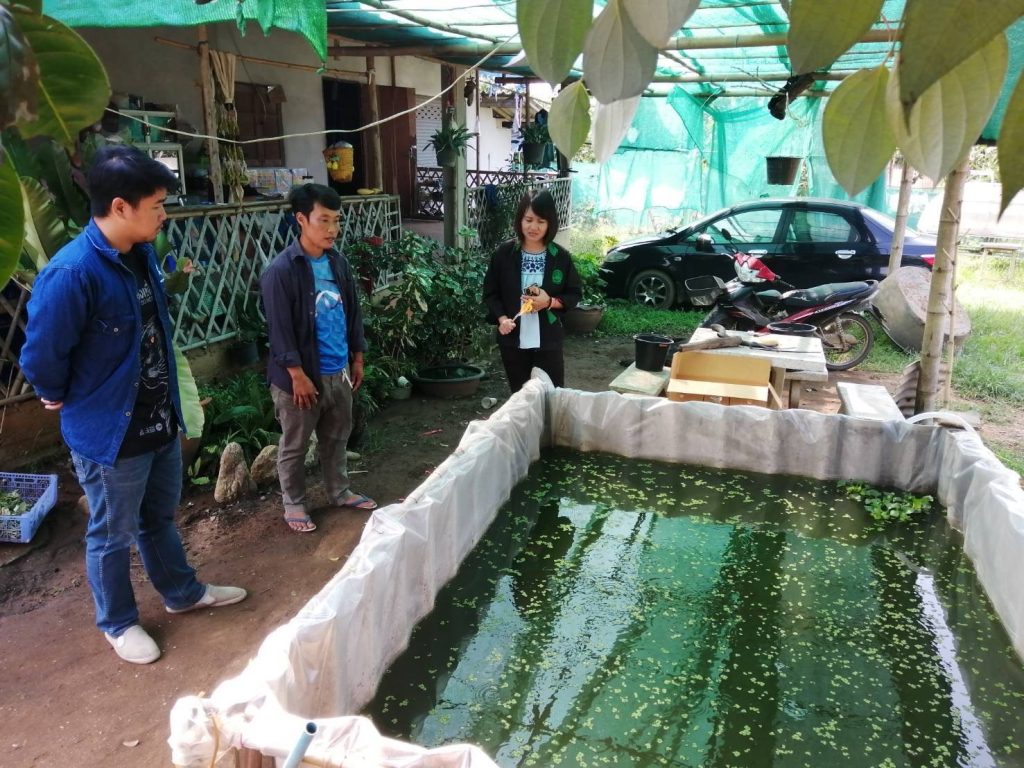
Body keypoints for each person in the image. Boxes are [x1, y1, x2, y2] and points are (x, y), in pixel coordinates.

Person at [19, 145, 247, 665]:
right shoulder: (72, 273)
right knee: (111, 534)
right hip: (110, 432)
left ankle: (182, 593)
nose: (164, 215)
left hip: (157, 418)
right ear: (120, 207)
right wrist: (54, 391)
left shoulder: (140, 255)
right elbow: (41, 355)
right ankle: (118, 623)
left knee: (158, 518)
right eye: (157, 205)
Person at [260, 183, 377, 534]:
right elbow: (279, 330)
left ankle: (339, 491)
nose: (332, 229)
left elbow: (353, 313)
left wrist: (357, 358)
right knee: (295, 445)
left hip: (338, 371)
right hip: (300, 378)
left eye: (336, 220)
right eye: (323, 220)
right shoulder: (281, 271)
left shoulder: (338, 263)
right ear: (301, 219)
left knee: (337, 436)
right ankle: (294, 503)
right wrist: (297, 375)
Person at [483, 190, 581, 392]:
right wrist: (502, 319)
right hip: (513, 341)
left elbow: (573, 293)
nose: (533, 227)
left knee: (552, 395)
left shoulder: (560, 257)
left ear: (550, 224)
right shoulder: (504, 253)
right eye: (528, 220)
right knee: (520, 397)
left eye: (541, 221)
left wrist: (549, 302)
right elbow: (491, 292)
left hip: (548, 341)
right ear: (520, 219)